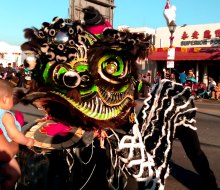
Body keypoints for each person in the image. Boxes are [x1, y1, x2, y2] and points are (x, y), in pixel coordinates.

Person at [0, 80, 34, 190]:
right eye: (11, 99)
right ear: (5, 98)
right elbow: (14, 135)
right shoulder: (6, 115)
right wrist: (27, 141)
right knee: (14, 174)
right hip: (6, 155)